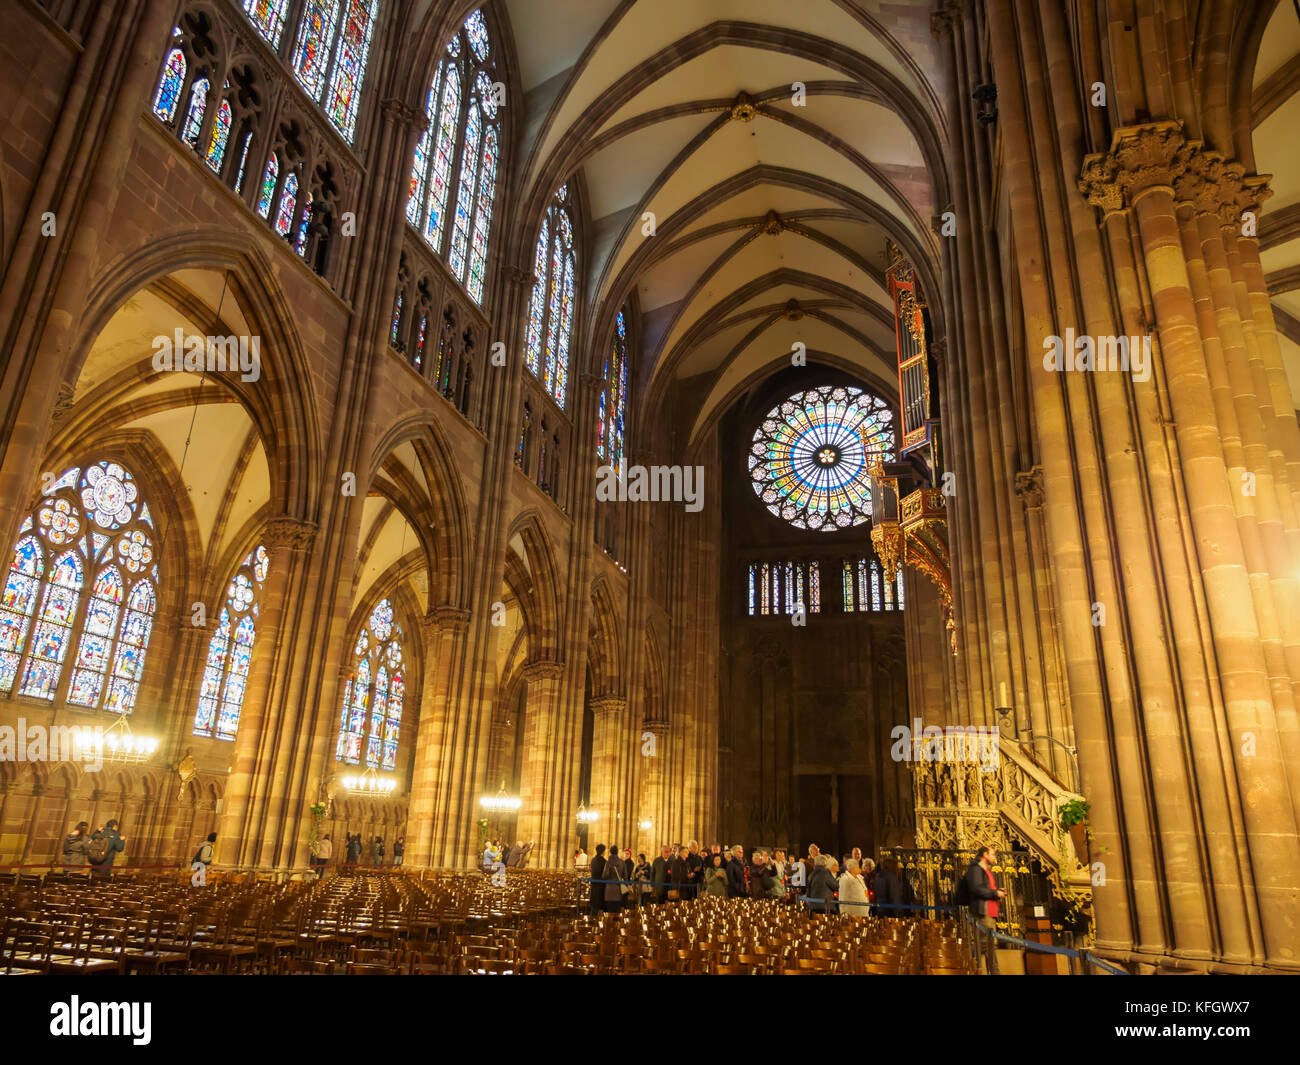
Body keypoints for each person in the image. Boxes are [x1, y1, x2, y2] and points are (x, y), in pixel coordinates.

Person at [965, 845, 1005, 930]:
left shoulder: (986, 870)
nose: (994, 857)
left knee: (990, 941)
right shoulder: (976, 869)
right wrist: (996, 893)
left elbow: (986, 888)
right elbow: (976, 889)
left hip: (990, 913)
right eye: (992, 854)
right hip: (983, 914)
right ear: (985, 855)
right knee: (986, 942)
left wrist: (997, 891)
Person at [603, 845, 628, 912]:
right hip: (618, 888)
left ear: (610, 852)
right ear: (617, 852)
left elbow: (604, 876)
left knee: (609, 910)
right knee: (617, 909)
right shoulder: (622, 862)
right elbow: (625, 876)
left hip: (609, 889)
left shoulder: (608, 862)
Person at [589, 844, 607, 916]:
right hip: (601, 886)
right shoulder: (604, 861)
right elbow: (605, 875)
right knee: (599, 907)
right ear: (603, 852)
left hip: (594, 885)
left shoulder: (593, 860)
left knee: (594, 906)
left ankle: (591, 920)